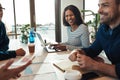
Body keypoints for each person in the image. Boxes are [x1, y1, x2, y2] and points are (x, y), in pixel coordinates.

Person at [69, 0, 120, 78]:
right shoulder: (103, 29)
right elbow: (93, 50)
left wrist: (95, 65)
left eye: (105, 5)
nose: (99, 10)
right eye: (99, 6)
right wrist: (78, 51)